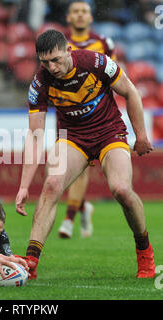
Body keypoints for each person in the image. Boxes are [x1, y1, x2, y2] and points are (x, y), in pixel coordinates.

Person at [15, 29, 156, 280]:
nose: (52, 67)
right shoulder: (39, 83)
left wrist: (141, 136)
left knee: (121, 190)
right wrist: (24, 186)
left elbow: (131, 91)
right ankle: (31, 262)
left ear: (68, 50)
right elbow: (35, 135)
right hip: (73, 139)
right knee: (51, 184)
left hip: (109, 132)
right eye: (45, 62)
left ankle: (144, 250)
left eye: (56, 60)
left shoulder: (97, 62)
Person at [58, 1, 116, 239]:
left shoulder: (103, 43)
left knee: (81, 169)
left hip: (96, 115)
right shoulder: (58, 43)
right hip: (66, 113)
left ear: (90, 18)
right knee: (64, 170)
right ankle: (83, 207)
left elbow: (113, 73)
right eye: (76, 11)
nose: (80, 15)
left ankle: (69, 219)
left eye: (84, 11)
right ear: (68, 17)